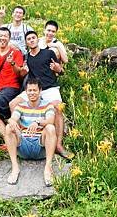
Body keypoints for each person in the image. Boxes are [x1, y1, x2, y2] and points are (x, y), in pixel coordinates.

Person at [10, 31, 73, 160]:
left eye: (33, 38)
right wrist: (22, 70)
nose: (32, 40)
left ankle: (58, 145)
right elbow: (21, 74)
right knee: (13, 104)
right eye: (29, 39)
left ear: (38, 40)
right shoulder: (27, 57)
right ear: (26, 43)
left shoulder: (48, 53)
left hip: (49, 88)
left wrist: (58, 69)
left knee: (58, 108)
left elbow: (61, 71)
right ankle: (22, 137)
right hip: (33, 89)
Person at [4, 78, 57, 186]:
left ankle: (48, 168)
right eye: (30, 90)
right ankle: (15, 168)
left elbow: (50, 120)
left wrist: (37, 122)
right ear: (26, 92)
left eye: (34, 90)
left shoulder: (48, 105)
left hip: (40, 146)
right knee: (9, 127)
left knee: (50, 128)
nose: (32, 93)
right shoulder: (21, 106)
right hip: (23, 145)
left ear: (40, 90)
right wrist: (12, 121)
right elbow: (13, 118)